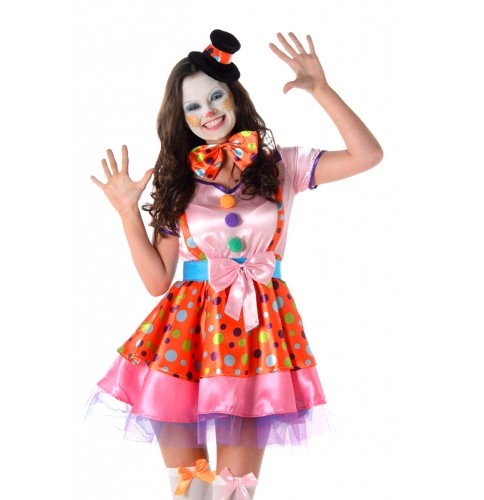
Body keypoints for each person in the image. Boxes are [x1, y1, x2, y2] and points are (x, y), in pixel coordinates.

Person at [88, 29, 383, 499]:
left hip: (256, 338)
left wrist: (321, 89)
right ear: (181, 117)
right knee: (190, 491)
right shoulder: (177, 181)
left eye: (215, 96)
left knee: (232, 493)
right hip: (186, 338)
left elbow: (368, 155)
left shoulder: (280, 166)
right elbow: (157, 280)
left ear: (234, 96)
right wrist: (127, 213)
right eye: (193, 106)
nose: (207, 112)